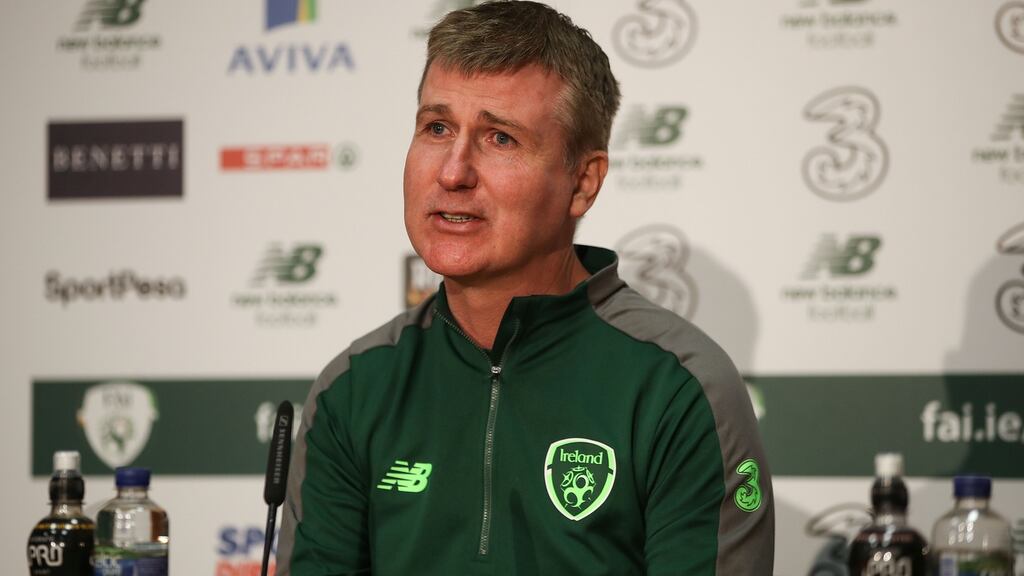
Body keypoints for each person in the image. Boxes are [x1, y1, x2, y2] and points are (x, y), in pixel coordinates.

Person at [276, 2, 774, 574]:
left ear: (582, 182)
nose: (453, 172)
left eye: (500, 138)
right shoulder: (353, 388)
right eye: (437, 128)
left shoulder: (680, 387)